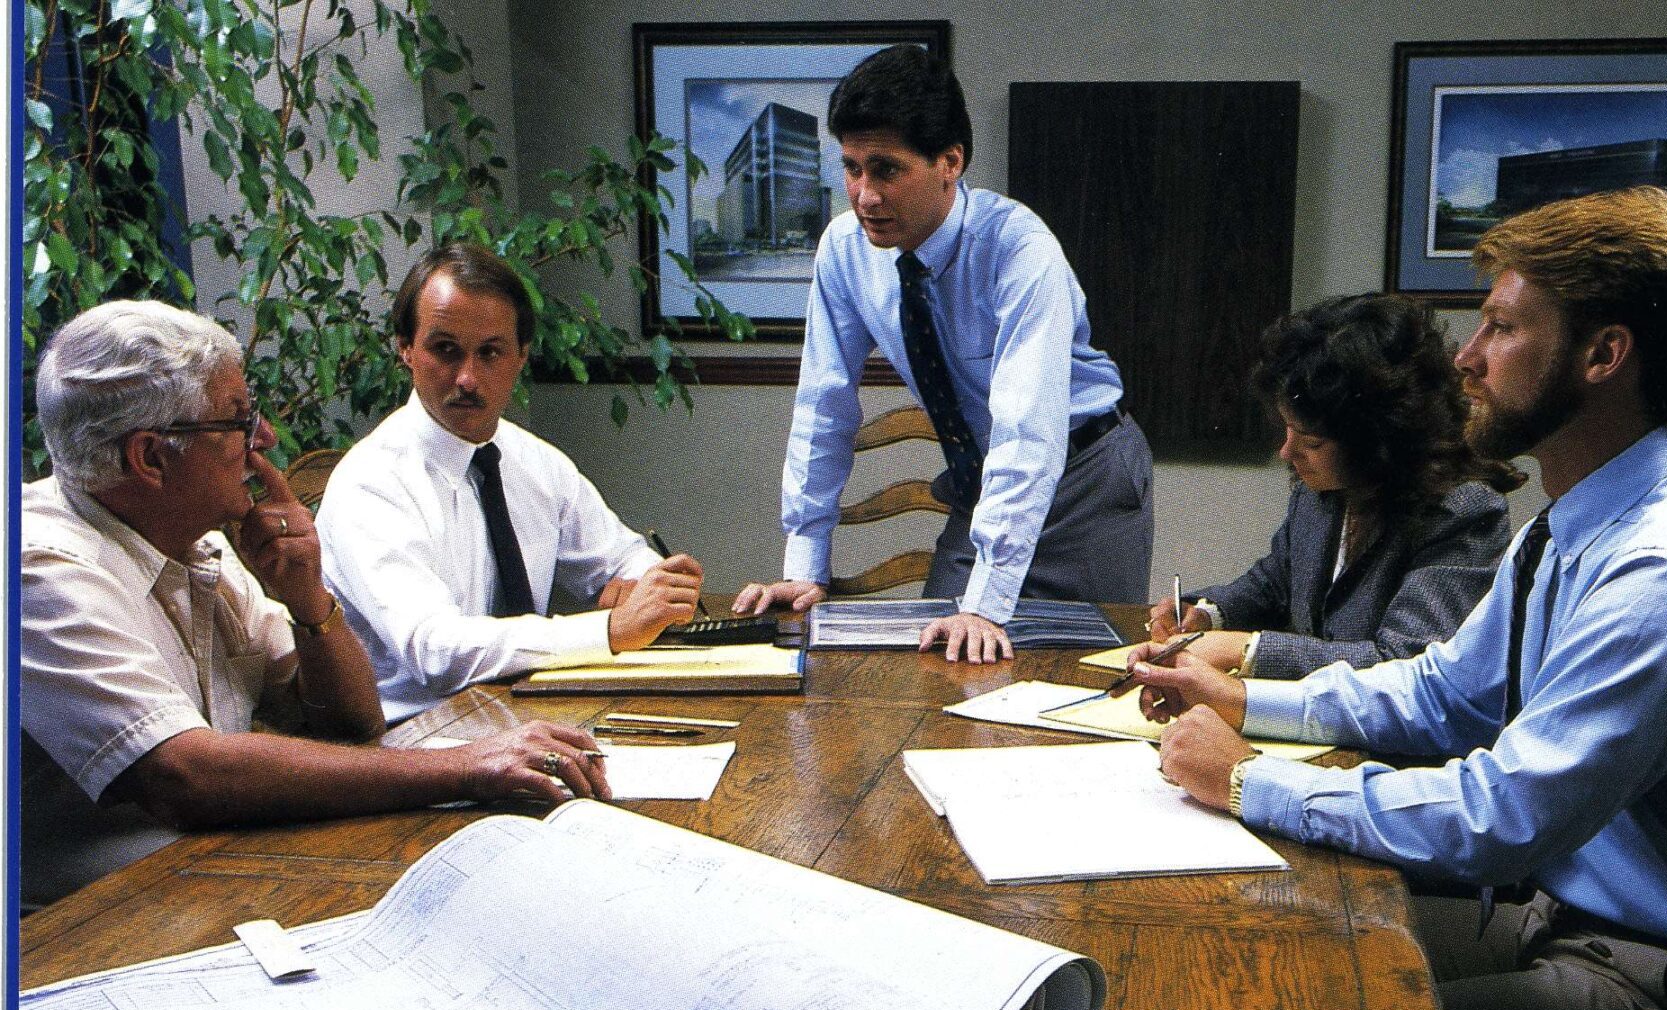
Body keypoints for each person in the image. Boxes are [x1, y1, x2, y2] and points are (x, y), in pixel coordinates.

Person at [1123, 187, 1667, 1010]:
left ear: (1603, 354)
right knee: (1257, 933)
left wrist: (1253, 781)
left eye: (1500, 329)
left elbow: (1503, 816)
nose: (1467, 361)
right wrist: (1244, 694)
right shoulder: (1571, 530)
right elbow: (1441, 690)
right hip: (1570, 925)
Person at [22, 300, 609, 909]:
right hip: (81, 929)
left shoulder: (194, 546)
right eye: (237, 421)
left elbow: (352, 724)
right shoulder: (38, 567)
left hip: (202, 875)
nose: (266, 439)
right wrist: (468, 765)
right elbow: (184, 776)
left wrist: (308, 599)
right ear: (149, 458)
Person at [733, 44, 1154, 664]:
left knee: (1079, 681)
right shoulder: (844, 249)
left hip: (1086, 477)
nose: (864, 195)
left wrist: (984, 603)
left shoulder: (1020, 251)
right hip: (985, 480)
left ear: (950, 161)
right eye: (850, 168)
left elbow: (1028, 431)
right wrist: (806, 565)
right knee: (939, 665)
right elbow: (824, 404)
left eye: (886, 169)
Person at [317, 243, 703, 722]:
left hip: (527, 720)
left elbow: (622, 557)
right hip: (413, 741)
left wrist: (643, 584)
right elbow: (436, 651)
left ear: (520, 358)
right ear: (405, 349)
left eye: (490, 353)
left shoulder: (535, 463)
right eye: (445, 350)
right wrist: (608, 630)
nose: (467, 378)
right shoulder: (371, 483)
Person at [1146, 293, 1522, 678]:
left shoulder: (1464, 513)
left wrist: (1248, 650)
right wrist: (1206, 615)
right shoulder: (1322, 492)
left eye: (1312, 442)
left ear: (1378, 443)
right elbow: (1275, 583)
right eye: (1287, 429)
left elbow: (1405, 665)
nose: (1286, 452)